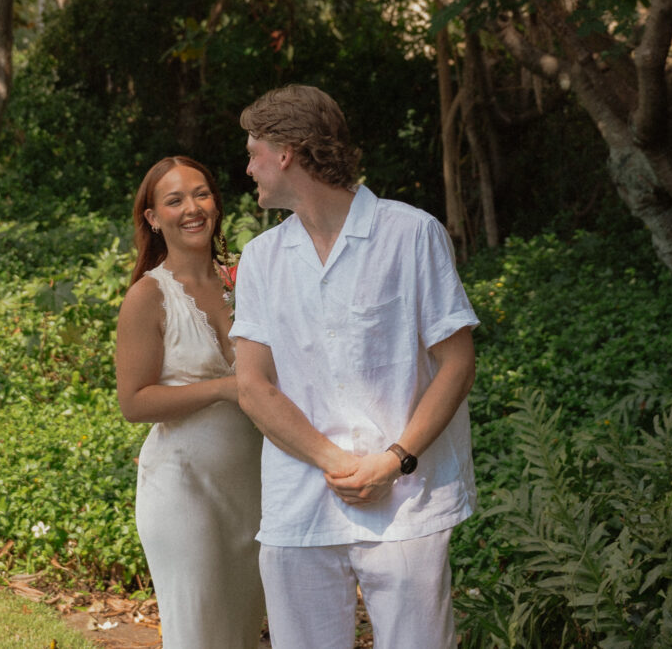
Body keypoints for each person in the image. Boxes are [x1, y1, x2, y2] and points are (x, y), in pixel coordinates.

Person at [230, 85, 480, 649]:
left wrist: (393, 461)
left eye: (253, 152)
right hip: (299, 501)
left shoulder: (412, 234)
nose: (248, 168)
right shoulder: (263, 259)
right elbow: (252, 386)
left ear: (287, 151)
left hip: (406, 503)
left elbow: (457, 362)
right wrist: (339, 463)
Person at [114, 156, 265, 649]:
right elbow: (134, 402)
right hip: (183, 490)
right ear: (153, 218)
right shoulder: (148, 297)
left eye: (201, 194)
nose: (192, 208)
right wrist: (227, 387)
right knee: (200, 636)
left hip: (255, 490)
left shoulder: (245, 281)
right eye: (174, 200)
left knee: (241, 634)